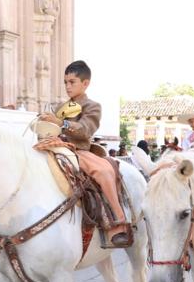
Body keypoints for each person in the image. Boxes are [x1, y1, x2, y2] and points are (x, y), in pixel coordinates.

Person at [38, 60, 130, 247]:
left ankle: (118, 223)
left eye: (72, 82)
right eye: (65, 82)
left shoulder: (92, 106)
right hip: (53, 146)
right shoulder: (60, 107)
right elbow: (50, 127)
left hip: (78, 150)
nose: (67, 86)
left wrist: (61, 123)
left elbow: (86, 130)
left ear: (85, 83)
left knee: (103, 172)